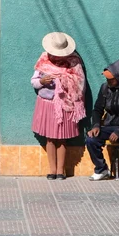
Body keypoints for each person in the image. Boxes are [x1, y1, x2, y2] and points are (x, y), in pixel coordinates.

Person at [31, 32, 85, 180]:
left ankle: (61, 170)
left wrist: (66, 81)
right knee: (49, 138)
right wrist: (43, 82)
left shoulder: (74, 62)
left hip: (65, 104)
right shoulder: (43, 61)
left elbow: (80, 83)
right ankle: (52, 170)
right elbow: (34, 81)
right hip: (47, 104)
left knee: (62, 138)